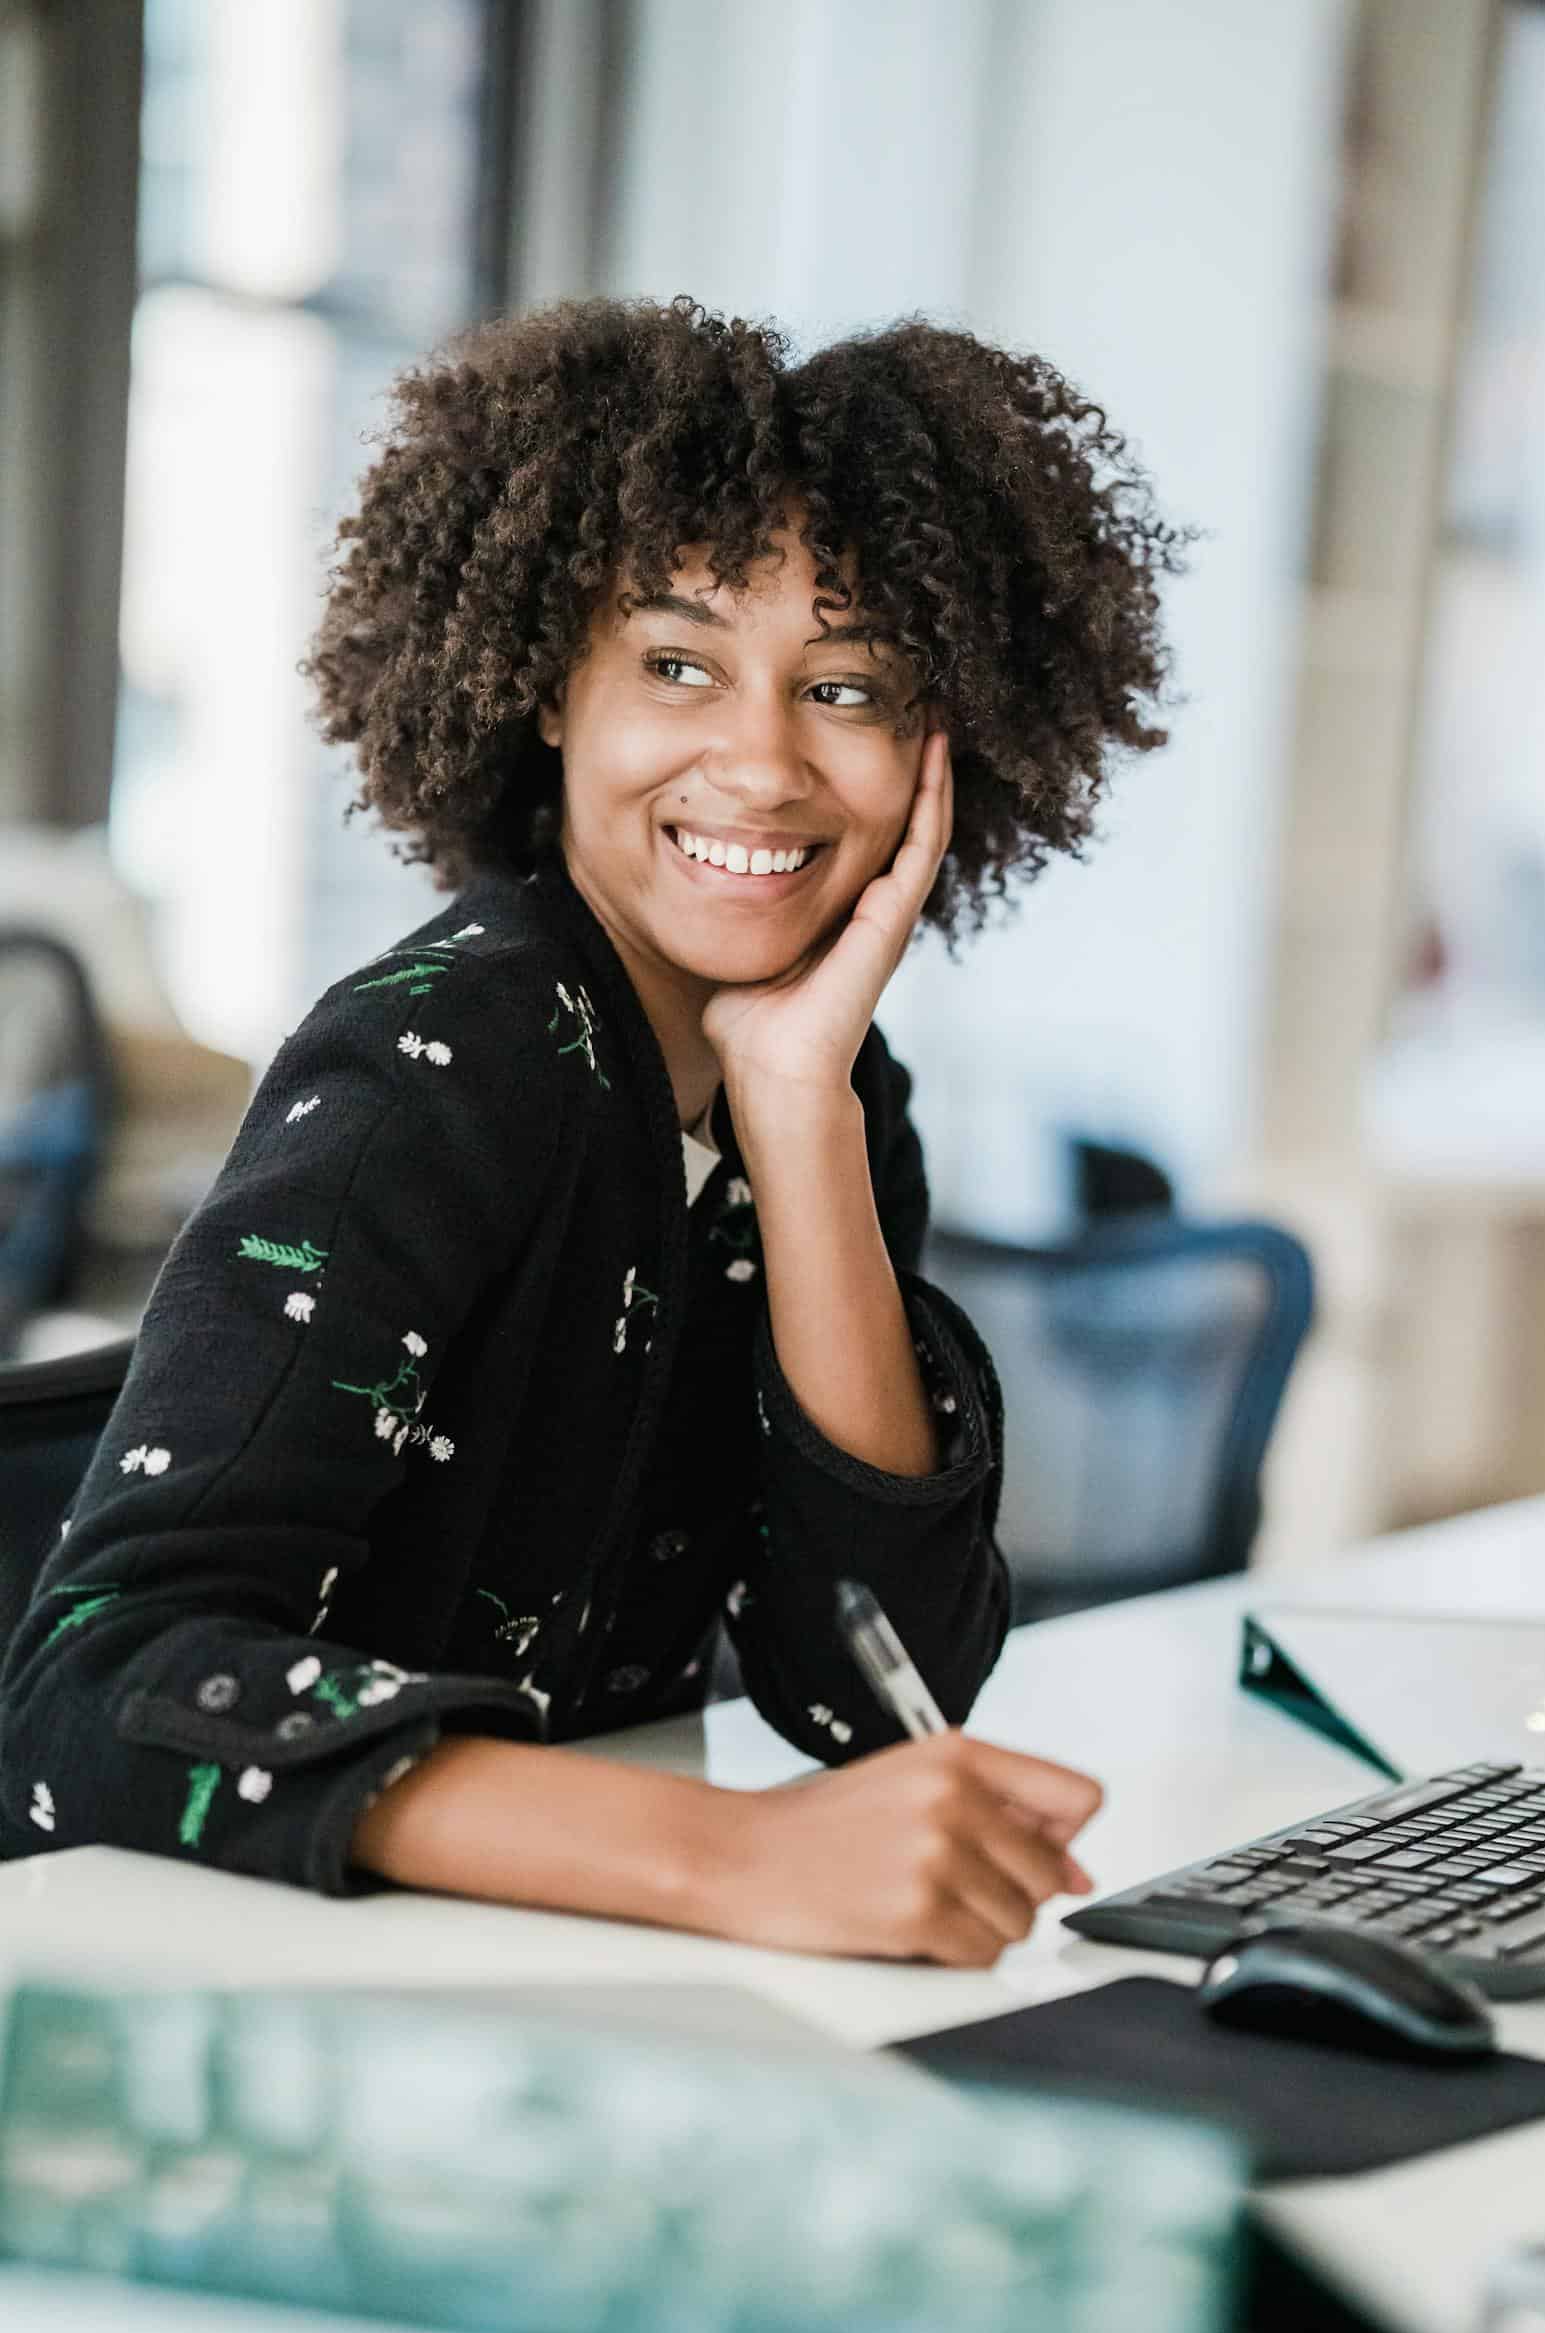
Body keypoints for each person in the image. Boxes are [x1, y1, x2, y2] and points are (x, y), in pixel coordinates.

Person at [0, 295, 1188, 1964]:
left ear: (940, 752)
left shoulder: (833, 1089)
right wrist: (727, 1857)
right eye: (680, 664)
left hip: (503, 1970)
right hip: (210, 1997)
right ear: (552, 690)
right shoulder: (447, 1059)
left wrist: (802, 1124)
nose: (761, 762)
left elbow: (871, 1694)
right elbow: (91, 1692)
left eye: (844, 687)